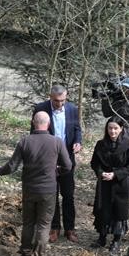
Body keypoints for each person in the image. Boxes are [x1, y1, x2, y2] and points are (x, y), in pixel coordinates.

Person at [0, 111, 72, 256]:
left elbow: (12, 166)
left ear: (32, 123)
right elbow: (68, 166)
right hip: (48, 190)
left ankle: (25, 254)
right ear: (48, 124)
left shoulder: (25, 141)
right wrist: (57, 172)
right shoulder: (56, 142)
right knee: (43, 225)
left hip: (29, 188)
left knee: (28, 222)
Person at [33, 84, 82, 243]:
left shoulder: (72, 109)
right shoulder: (41, 109)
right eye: (56, 101)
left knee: (68, 195)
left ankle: (70, 228)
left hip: (67, 157)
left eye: (62, 101)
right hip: (49, 159)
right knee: (51, 194)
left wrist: (78, 142)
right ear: (50, 97)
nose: (59, 104)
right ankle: (54, 228)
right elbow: (34, 133)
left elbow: (77, 129)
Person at [90, 117, 129, 253]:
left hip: (120, 184)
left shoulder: (127, 145)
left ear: (121, 129)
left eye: (115, 128)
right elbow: (94, 163)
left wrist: (116, 174)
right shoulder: (100, 144)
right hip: (104, 184)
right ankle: (102, 238)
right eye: (110, 128)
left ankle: (116, 241)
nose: (112, 131)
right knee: (103, 210)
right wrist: (101, 173)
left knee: (118, 213)